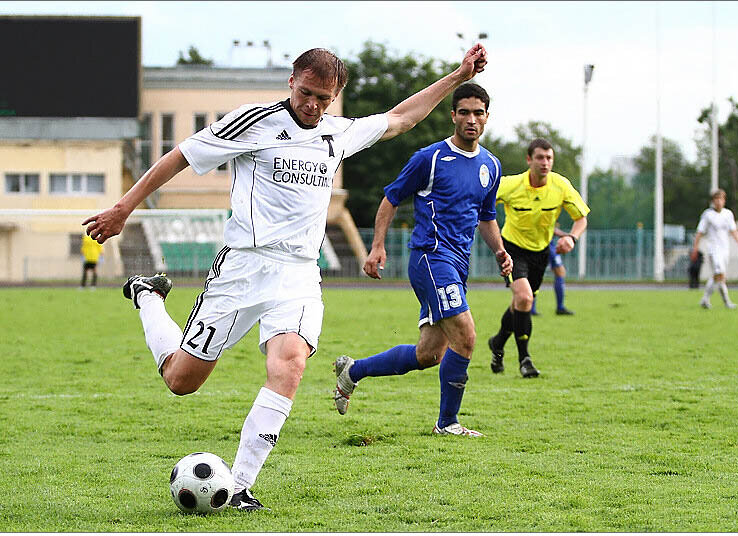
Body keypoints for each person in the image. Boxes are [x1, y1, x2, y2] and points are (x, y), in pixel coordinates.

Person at [82, 44, 489, 510]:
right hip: (242, 267)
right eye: (307, 93)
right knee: (182, 380)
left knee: (290, 363)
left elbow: (401, 119)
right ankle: (148, 297)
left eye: (324, 98)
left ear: (336, 98)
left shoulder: (338, 132)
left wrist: (457, 76)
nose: (313, 105)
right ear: (291, 82)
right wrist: (122, 208)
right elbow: (181, 155)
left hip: (298, 272)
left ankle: (238, 486)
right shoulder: (253, 122)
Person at [332, 83, 512, 437]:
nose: (471, 119)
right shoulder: (429, 158)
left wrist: (500, 250)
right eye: (464, 112)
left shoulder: (491, 165)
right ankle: (447, 424)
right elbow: (391, 198)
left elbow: (486, 216)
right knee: (467, 336)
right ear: (453, 116)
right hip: (431, 258)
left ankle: (352, 372)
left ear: (487, 117)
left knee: (429, 354)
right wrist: (377, 246)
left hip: (458, 266)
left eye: (478, 113)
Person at [487, 138, 589, 378]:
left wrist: (572, 238)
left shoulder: (561, 185)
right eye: (540, 158)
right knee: (524, 298)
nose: (545, 163)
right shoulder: (510, 185)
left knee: (521, 304)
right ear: (529, 159)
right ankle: (525, 360)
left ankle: (498, 343)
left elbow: (581, 218)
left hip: (541, 252)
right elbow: (483, 201)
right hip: (511, 249)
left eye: (549, 158)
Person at [691, 188, 738, 309]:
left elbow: (733, 231)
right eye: (716, 199)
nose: (718, 202)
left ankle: (723, 302)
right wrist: (695, 247)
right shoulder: (708, 215)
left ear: (724, 201)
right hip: (713, 249)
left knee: (721, 277)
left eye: (721, 199)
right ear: (713, 201)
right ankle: (707, 299)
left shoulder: (728, 214)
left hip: (725, 249)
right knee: (719, 273)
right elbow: (699, 232)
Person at [530, 228, 574, 316]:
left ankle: (531, 308)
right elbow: (549, 226)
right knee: (559, 272)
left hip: (543, 243)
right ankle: (560, 307)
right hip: (545, 244)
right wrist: (566, 236)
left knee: (534, 274)